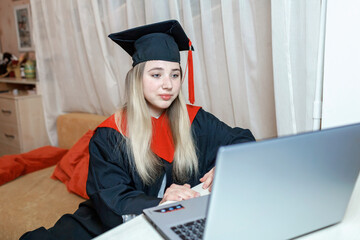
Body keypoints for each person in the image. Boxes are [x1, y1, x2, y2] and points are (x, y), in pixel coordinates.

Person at [20, 20, 255, 240]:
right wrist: (161, 201)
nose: (168, 84)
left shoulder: (195, 120)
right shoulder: (111, 134)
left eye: (175, 74)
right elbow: (112, 199)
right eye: (156, 74)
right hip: (108, 223)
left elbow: (241, 139)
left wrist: (226, 166)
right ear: (136, 79)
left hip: (175, 221)